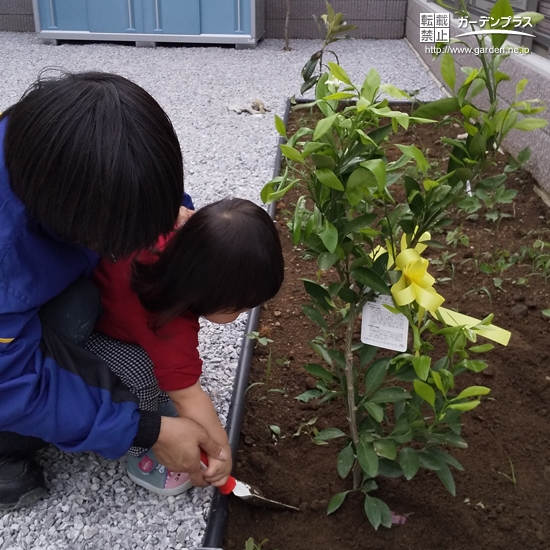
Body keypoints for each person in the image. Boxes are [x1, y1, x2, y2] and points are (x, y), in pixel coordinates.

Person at [0, 70, 227, 511]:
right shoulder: (8, 254)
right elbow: (9, 383)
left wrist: (181, 218)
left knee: (79, 308)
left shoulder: (67, 147)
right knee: (74, 316)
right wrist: (145, 430)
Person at [90, 197, 285, 495]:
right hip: (88, 333)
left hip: (97, 297)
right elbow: (187, 397)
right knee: (141, 376)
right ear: (211, 291)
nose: (244, 314)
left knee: (160, 372)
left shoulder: (178, 231)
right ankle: (143, 455)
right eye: (242, 307)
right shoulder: (165, 321)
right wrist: (221, 453)